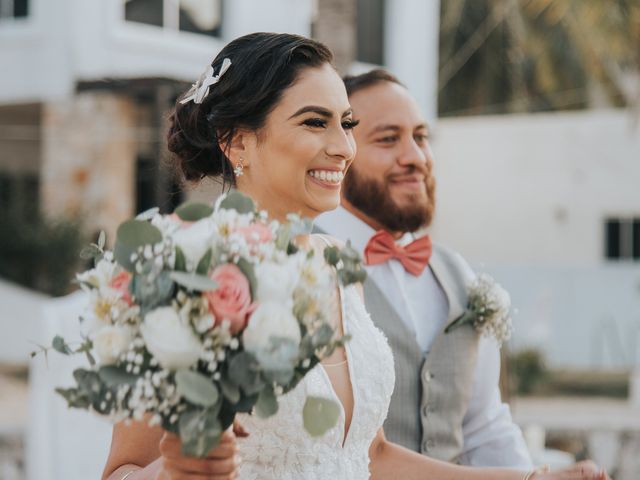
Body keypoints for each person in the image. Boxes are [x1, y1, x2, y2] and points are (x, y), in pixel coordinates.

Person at [103, 32, 608, 480]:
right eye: (314, 122)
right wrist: (174, 470)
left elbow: (372, 457)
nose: (344, 146)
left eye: (345, 123)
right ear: (237, 142)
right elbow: (122, 470)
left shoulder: (337, 265)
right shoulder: (185, 272)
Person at [315, 69, 532, 467]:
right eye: (388, 139)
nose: (415, 157)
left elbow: (484, 426)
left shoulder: (457, 273)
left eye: (421, 137)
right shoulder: (303, 264)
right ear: (339, 151)